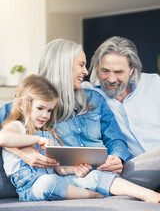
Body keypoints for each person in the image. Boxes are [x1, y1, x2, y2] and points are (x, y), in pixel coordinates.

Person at [2, 74, 160, 203]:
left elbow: (59, 168)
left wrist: (74, 169)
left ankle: (146, 194)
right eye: (40, 108)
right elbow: (4, 138)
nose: (45, 115)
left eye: (49, 110)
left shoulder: (49, 134)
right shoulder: (18, 127)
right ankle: (95, 196)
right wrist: (35, 140)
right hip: (31, 188)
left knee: (94, 176)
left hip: (58, 180)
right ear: (22, 105)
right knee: (47, 183)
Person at [0, 38, 131, 176]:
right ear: (63, 66)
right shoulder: (34, 104)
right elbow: (4, 135)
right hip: (73, 179)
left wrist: (117, 158)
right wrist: (22, 152)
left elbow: (115, 138)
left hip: (107, 173)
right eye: (81, 65)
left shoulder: (95, 99)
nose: (86, 72)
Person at [82, 36, 160, 190]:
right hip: (133, 169)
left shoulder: (154, 83)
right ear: (97, 67)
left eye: (118, 72)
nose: (111, 79)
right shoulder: (88, 93)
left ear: (131, 69)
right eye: (105, 71)